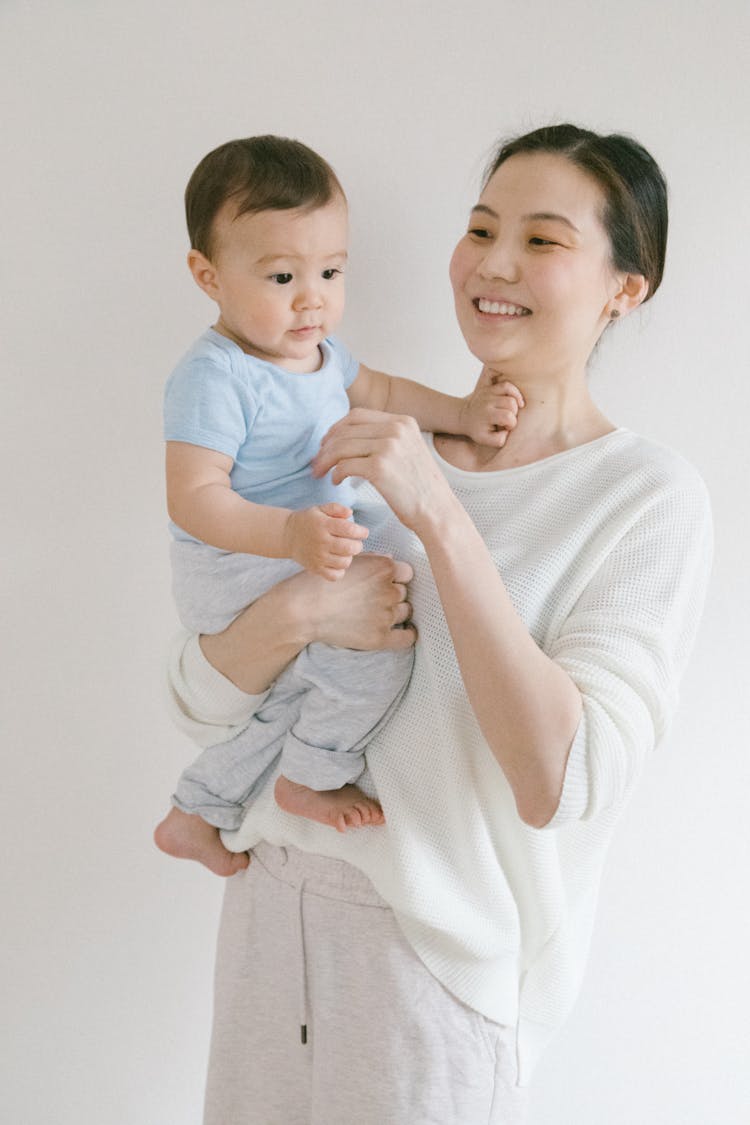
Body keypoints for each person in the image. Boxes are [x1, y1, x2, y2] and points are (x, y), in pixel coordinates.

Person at [165, 125, 713, 1123]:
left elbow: (562, 781)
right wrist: (301, 604)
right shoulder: (366, 435)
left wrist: (441, 515)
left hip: (429, 964)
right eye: (481, 227)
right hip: (268, 914)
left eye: (543, 241)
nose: (494, 264)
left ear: (624, 288)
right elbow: (203, 700)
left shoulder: (644, 497)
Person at [154, 136, 519, 876]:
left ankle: (199, 809)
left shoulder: (316, 352)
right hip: (236, 557)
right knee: (376, 643)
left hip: (306, 537)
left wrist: (462, 411)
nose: (313, 296)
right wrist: (287, 534)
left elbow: (380, 392)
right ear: (208, 275)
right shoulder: (215, 376)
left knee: (340, 645)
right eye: (283, 275)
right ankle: (311, 774)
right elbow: (193, 499)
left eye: (330, 270)